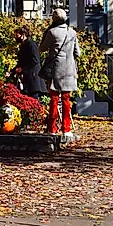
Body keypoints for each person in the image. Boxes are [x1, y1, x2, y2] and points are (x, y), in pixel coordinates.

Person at [39, 8, 80, 136]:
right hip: (69, 70)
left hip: (56, 69)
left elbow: (42, 48)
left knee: (54, 99)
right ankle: (66, 129)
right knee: (66, 100)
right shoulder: (72, 33)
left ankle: (52, 128)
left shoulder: (52, 32)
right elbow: (77, 53)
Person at [14, 26, 46, 99]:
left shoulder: (31, 44)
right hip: (28, 79)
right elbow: (21, 62)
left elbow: (35, 60)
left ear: (23, 34)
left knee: (33, 101)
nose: (16, 38)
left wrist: (22, 69)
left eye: (17, 35)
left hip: (33, 78)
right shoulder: (23, 46)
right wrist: (12, 71)